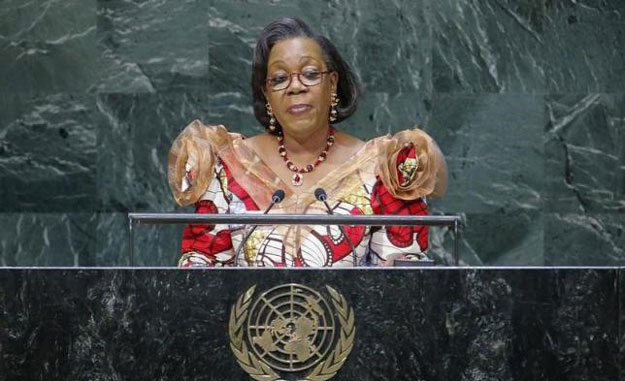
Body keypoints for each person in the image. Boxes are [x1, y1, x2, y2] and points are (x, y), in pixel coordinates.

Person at [167, 17, 447, 267]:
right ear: (267, 94)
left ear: (333, 84)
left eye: (310, 74)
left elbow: (404, 282)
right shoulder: (229, 168)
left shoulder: (381, 171)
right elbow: (200, 273)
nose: (295, 86)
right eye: (279, 78)